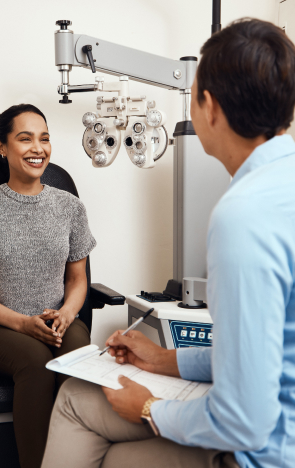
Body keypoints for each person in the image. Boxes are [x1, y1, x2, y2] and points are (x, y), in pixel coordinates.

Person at [41, 18, 295, 468]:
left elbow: (245, 420)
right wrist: (164, 361)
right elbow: (262, 353)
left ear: (209, 107)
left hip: (269, 450)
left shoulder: (244, 216)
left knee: (89, 420)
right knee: (98, 427)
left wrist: (149, 408)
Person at [0, 104, 96, 468]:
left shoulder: (70, 207)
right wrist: (22, 323)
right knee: (34, 362)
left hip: (57, 321)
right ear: (2, 146)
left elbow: (78, 280)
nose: (38, 147)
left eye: (45, 138)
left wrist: (66, 313)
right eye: (25, 138)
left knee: (80, 362)